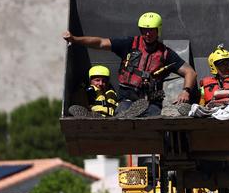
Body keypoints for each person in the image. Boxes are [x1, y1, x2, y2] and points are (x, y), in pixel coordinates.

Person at [63, 11, 197, 118]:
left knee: (152, 119)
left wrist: (185, 92)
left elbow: (190, 72)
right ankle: (104, 117)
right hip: (127, 97)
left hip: (151, 99)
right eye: (144, 30)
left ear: (158, 30)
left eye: (151, 30)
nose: (147, 33)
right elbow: (100, 43)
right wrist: (74, 39)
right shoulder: (129, 44)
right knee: (123, 115)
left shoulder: (166, 53)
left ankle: (135, 115)